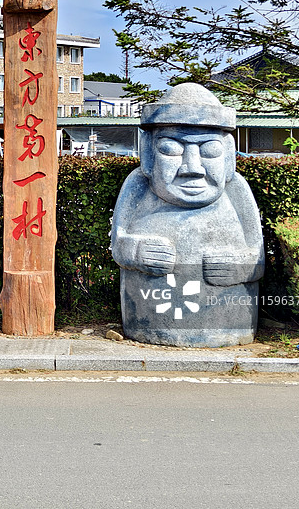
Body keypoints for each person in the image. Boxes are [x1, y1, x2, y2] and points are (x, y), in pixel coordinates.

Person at [111, 83, 264, 347]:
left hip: (228, 323)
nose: (192, 168)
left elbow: (257, 255)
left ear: (229, 155)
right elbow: (118, 245)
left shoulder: (236, 188)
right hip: (149, 319)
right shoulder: (138, 184)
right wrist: (136, 251)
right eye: (171, 149)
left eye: (210, 151)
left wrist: (239, 266)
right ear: (148, 154)